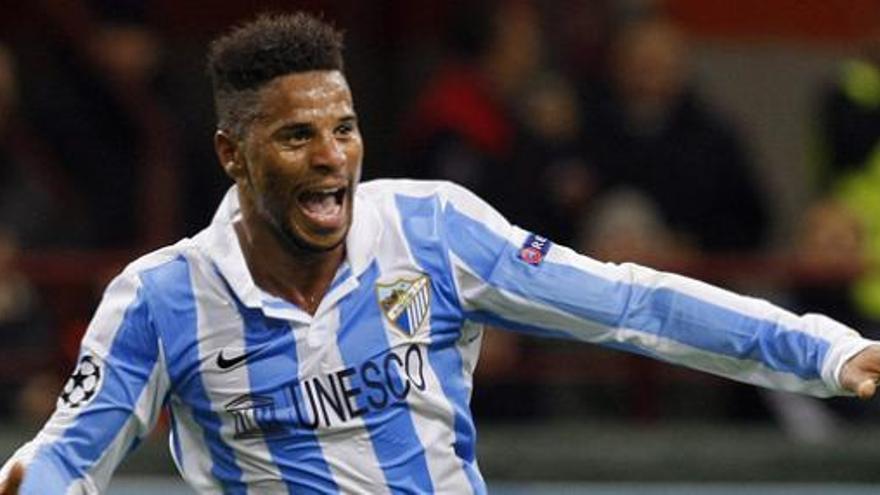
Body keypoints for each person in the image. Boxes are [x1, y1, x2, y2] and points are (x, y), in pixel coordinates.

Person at [2, 11, 880, 494]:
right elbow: (66, 459)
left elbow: (632, 304)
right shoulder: (159, 299)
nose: (331, 156)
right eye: (297, 135)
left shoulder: (431, 229)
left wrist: (825, 348)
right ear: (233, 154)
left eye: (344, 129)